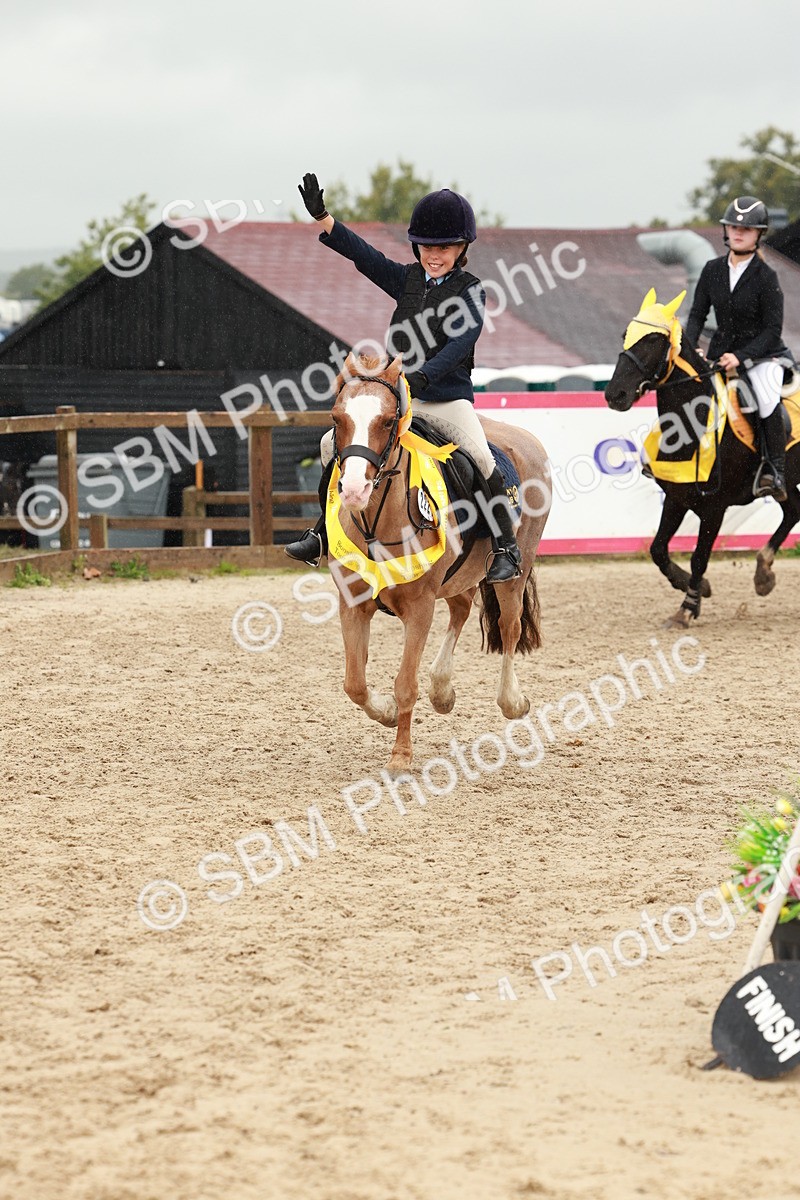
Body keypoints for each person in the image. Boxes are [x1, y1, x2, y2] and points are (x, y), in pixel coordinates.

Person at [284, 172, 522, 583]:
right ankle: (322, 534)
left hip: (446, 398)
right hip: (400, 397)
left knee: (482, 459)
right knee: (330, 445)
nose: (434, 255)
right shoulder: (407, 279)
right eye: (428, 246)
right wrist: (325, 218)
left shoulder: (471, 291)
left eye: (444, 247)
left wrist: (423, 377)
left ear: (461, 248)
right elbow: (365, 256)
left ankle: (506, 548)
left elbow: (460, 345)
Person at [685, 195, 788, 501]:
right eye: (732, 227)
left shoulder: (766, 277)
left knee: (767, 397)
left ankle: (774, 470)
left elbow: (773, 330)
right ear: (726, 230)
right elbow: (696, 315)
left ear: (759, 234)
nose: (738, 232)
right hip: (719, 353)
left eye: (746, 229)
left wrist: (741, 357)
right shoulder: (711, 269)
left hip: (762, 356)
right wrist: (691, 351)